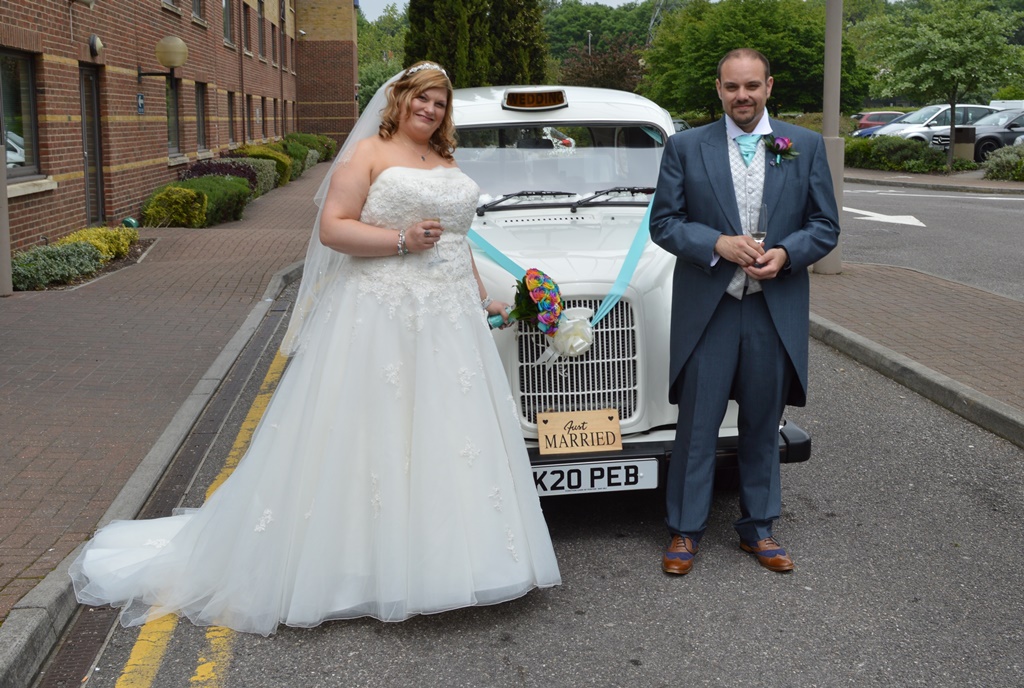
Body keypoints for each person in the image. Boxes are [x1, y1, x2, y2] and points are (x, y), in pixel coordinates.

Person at [69, 62, 561, 635]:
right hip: (382, 311)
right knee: (371, 435)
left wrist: (481, 298)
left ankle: (456, 559)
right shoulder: (368, 155)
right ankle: (360, 567)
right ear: (399, 100)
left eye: (439, 104)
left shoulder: (447, 161)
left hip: (449, 320)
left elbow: (455, 242)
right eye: (422, 100)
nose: (430, 110)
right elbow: (333, 228)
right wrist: (400, 240)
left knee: (448, 434)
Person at [649, 48, 840, 575]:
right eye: (732, 87)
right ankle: (685, 531)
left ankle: (759, 528)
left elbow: (825, 225)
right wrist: (717, 244)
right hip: (710, 306)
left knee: (762, 423)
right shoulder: (686, 146)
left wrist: (786, 254)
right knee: (698, 425)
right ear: (718, 90)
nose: (742, 96)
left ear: (769, 86)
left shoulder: (801, 146)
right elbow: (664, 223)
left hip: (770, 308)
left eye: (752, 86)